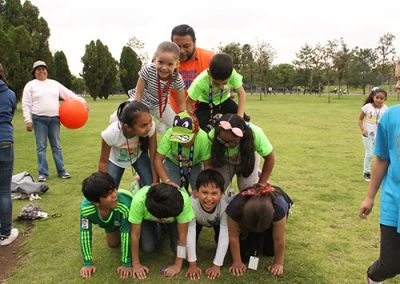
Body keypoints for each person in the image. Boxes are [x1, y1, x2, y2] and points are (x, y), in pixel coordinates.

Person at [359, 61, 400, 284]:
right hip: (394, 203)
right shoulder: (391, 117)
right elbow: (382, 159)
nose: (398, 85)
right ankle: (373, 278)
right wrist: (370, 196)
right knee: (390, 264)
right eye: (397, 78)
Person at [22, 60, 86, 181]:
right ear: (34, 73)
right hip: (38, 119)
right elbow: (26, 104)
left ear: (47, 71)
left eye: (43, 69)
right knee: (41, 147)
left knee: (56, 146)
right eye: (38, 70)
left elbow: (68, 94)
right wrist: (27, 120)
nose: (41, 71)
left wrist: (82, 101)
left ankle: (62, 171)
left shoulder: (54, 84)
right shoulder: (30, 85)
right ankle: (43, 173)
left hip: (54, 119)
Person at [128, 183, 194, 279]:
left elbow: (182, 238)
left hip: (172, 220)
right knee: (148, 248)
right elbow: (135, 235)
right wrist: (136, 264)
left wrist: (177, 265)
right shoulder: (138, 200)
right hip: (148, 219)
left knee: (180, 250)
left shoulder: (183, 201)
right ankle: (159, 227)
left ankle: (165, 227)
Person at [226, 183, 292, 277]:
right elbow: (233, 236)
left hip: (269, 215)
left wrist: (278, 264)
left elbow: (279, 239)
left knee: (270, 251)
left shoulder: (279, 208)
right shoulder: (235, 207)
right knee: (244, 254)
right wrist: (237, 262)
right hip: (247, 219)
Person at [79, 172, 133, 279]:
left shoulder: (124, 205)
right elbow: (85, 234)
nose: (114, 195)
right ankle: (115, 224)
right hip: (114, 221)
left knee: (147, 245)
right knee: (113, 244)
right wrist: (87, 263)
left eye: (113, 189)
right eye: (108, 194)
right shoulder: (86, 210)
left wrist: (126, 262)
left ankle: (159, 226)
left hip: (133, 219)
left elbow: (125, 234)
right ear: (96, 202)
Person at [98, 101, 158, 189]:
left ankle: (140, 183)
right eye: (144, 125)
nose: (149, 127)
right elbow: (103, 162)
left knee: (151, 187)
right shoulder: (111, 133)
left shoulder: (151, 128)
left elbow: (153, 156)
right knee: (109, 189)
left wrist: (155, 181)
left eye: (150, 122)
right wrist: (103, 188)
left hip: (138, 156)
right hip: (116, 160)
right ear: (127, 127)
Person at [209, 113, 275, 192]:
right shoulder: (213, 135)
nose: (226, 145)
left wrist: (262, 183)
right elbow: (208, 161)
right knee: (216, 188)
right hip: (224, 160)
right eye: (222, 141)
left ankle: (256, 173)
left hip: (247, 159)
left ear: (241, 137)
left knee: (249, 190)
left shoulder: (256, 135)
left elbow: (270, 158)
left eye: (232, 142)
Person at [130, 41, 186, 134]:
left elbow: (182, 103)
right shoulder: (148, 70)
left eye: (170, 64)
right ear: (155, 59)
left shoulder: (177, 79)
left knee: (178, 126)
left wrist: (183, 119)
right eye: (160, 62)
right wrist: (137, 111)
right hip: (140, 101)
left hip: (160, 105)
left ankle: (163, 131)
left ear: (177, 64)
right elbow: (138, 93)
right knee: (121, 118)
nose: (164, 67)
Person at [186, 169, 229, 280]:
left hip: (217, 222)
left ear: (222, 193)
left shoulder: (225, 205)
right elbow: (189, 234)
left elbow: (225, 234)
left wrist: (216, 266)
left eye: (214, 193)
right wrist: (192, 265)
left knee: (221, 242)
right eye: (204, 192)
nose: (209, 198)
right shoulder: (190, 204)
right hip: (197, 222)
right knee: (185, 248)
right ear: (196, 191)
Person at [186, 53, 248, 131]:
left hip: (225, 101)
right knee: (197, 128)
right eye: (216, 83)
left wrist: (240, 117)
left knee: (243, 123)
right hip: (205, 104)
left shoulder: (233, 74)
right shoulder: (200, 81)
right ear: (209, 73)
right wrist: (193, 120)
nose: (221, 87)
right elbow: (188, 102)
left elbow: (241, 93)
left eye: (224, 83)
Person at [154, 111, 211, 194]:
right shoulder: (169, 133)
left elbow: (208, 166)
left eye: (186, 138)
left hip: (195, 165)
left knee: (202, 191)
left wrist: (202, 186)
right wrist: (167, 181)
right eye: (178, 137)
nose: (182, 142)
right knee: (172, 192)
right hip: (173, 164)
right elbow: (158, 159)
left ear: (196, 132)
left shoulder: (203, 138)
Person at [169, 24, 214, 113]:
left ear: (194, 42)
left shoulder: (210, 58)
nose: (181, 51)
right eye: (177, 46)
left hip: (205, 112)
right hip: (176, 114)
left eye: (186, 46)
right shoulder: (165, 61)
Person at [0, 63, 19, 246]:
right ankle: (5, 233)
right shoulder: (10, 94)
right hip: (5, 141)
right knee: (4, 190)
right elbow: (10, 114)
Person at [358, 87, 388, 182]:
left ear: (385, 99)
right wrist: (363, 130)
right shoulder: (367, 107)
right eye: (377, 97)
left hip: (379, 135)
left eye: (381, 98)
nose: (379, 100)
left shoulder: (386, 109)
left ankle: (381, 173)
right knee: (370, 153)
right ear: (373, 97)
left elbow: (386, 123)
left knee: (381, 154)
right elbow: (360, 119)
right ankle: (366, 173)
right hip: (367, 134)